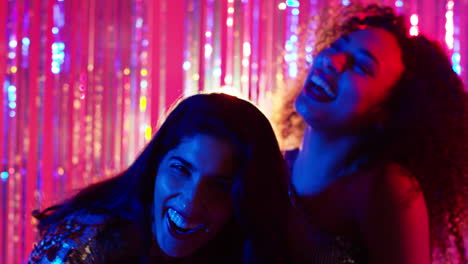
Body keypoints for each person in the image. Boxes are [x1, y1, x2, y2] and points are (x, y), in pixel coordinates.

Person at [276, 3, 467, 264]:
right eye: (336, 47)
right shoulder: (268, 164)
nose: (332, 60)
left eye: (361, 66)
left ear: (388, 112)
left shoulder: (387, 188)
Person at [28, 93, 290, 263]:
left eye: (219, 186)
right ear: (156, 164)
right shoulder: (81, 247)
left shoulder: (242, 249)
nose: (192, 200)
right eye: (181, 170)